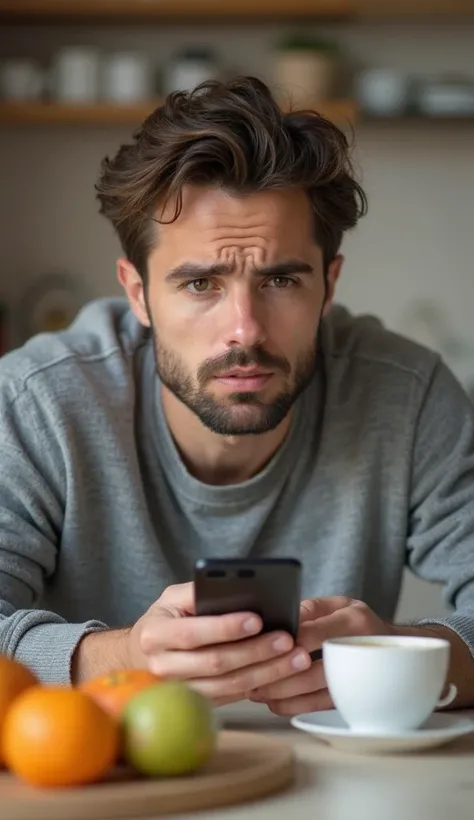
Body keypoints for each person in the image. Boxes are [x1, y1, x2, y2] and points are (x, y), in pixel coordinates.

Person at [1, 77, 473, 717]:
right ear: (137, 292)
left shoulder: (408, 398)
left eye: (280, 279)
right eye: (200, 284)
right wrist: (126, 659)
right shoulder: (39, 404)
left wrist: (400, 656)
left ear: (328, 286)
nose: (245, 330)